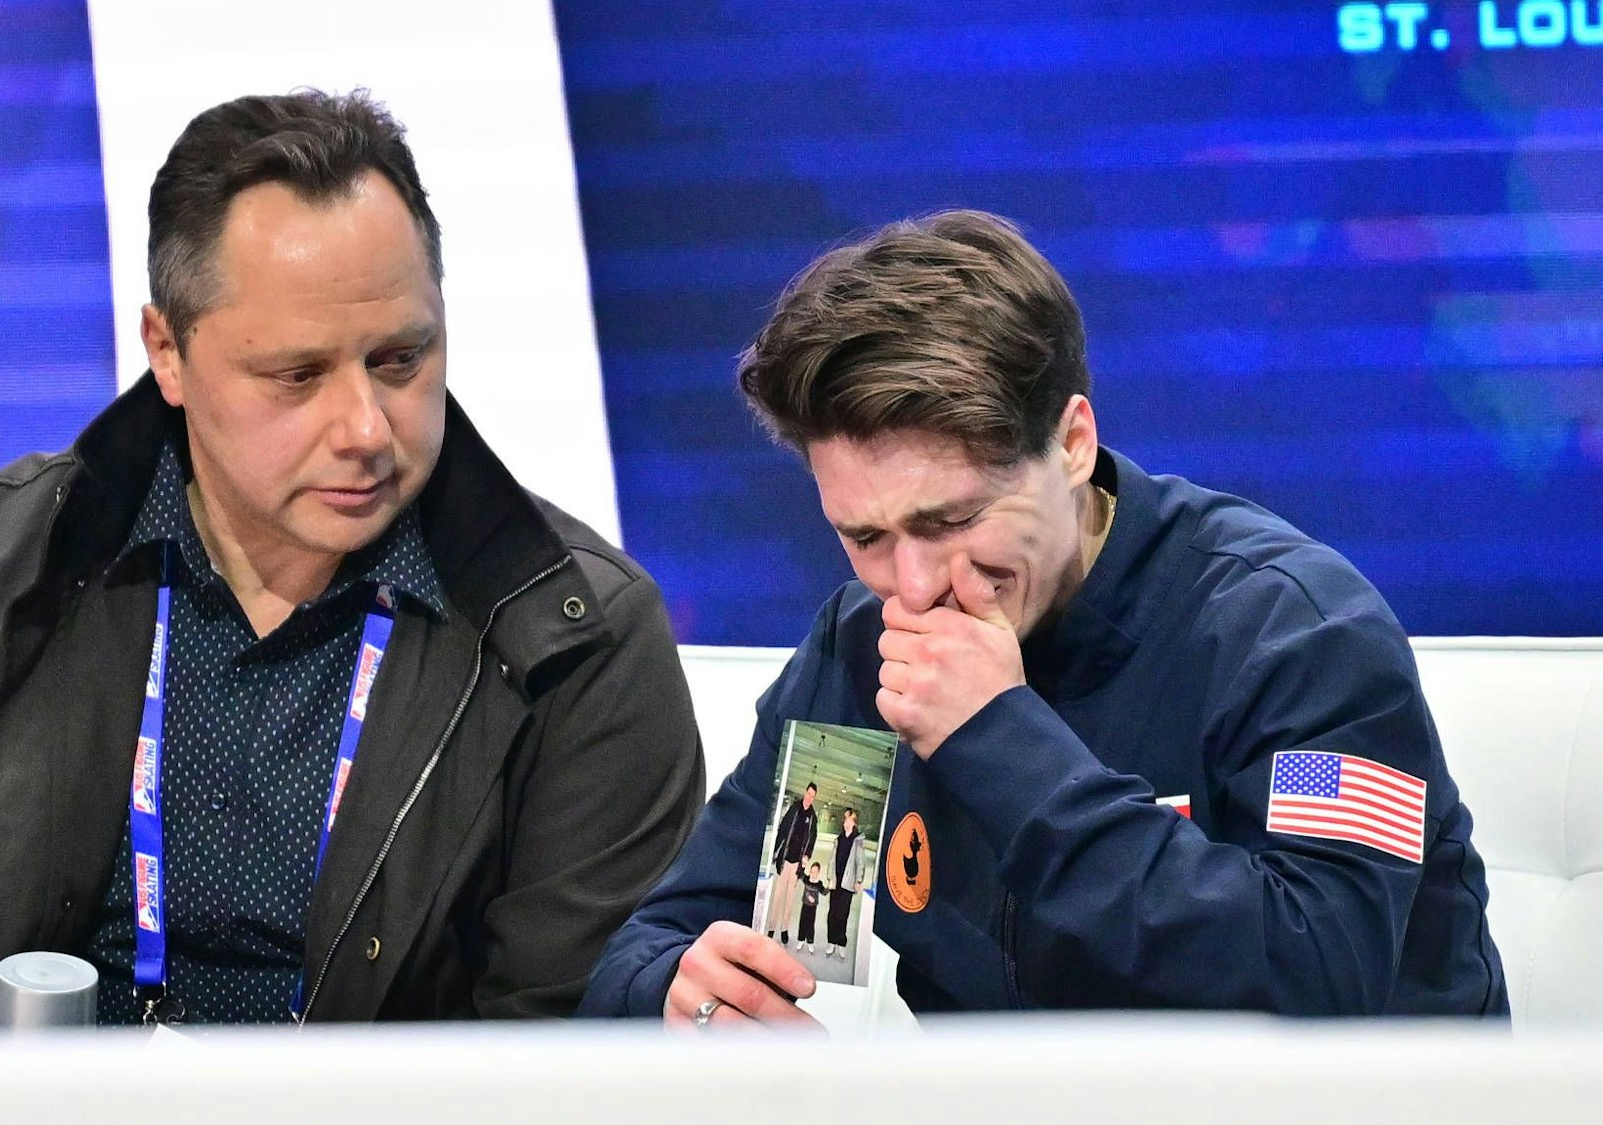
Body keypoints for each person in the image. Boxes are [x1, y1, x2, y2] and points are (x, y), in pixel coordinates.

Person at [0, 90, 705, 1029]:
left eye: (400, 359)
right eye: (296, 375)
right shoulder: (1, 566)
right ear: (167, 353)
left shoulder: (576, 642)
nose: (364, 428)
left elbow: (568, 1063)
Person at [580, 210, 1507, 1028]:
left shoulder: (1297, 635)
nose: (914, 586)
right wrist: (677, 991)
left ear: (1071, 443)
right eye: (863, 536)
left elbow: (1322, 977)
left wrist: (1001, 742)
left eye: (952, 520)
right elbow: (664, 941)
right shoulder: (863, 655)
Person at [764, 783, 817, 945]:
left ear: (814, 797)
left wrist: (807, 855)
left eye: (813, 796)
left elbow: (812, 839)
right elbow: (782, 829)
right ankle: (772, 927)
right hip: (785, 859)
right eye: (808, 794)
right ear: (805, 792)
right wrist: (775, 851)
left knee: (789, 899)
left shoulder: (813, 817)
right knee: (778, 894)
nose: (809, 798)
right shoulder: (794, 809)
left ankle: (784, 929)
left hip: (797, 865)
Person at [824, 809, 865, 960]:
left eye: (850, 820)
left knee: (843, 914)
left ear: (854, 823)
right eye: (846, 819)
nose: (847, 822)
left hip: (848, 883)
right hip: (836, 881)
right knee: (832, 913)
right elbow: (831, 860)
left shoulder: (858, 840)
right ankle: (831, 941)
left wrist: (858, 880)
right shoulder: (838, 839)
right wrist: (829, 877)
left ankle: (841, 942)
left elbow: (860, 862)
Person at [796, 862, 824, 953]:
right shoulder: (807, 879)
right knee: (802, 922)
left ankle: (810, 942)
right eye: (811, 872)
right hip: (805, 905)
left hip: (813, 908)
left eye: (815, 872)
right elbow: (800, 874)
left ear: (818, 873)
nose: (813, 874)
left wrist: (830, 887)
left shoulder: (819, 884)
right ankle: (801, 940)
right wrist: (803, 867)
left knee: (810, 924)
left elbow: (824, 892)